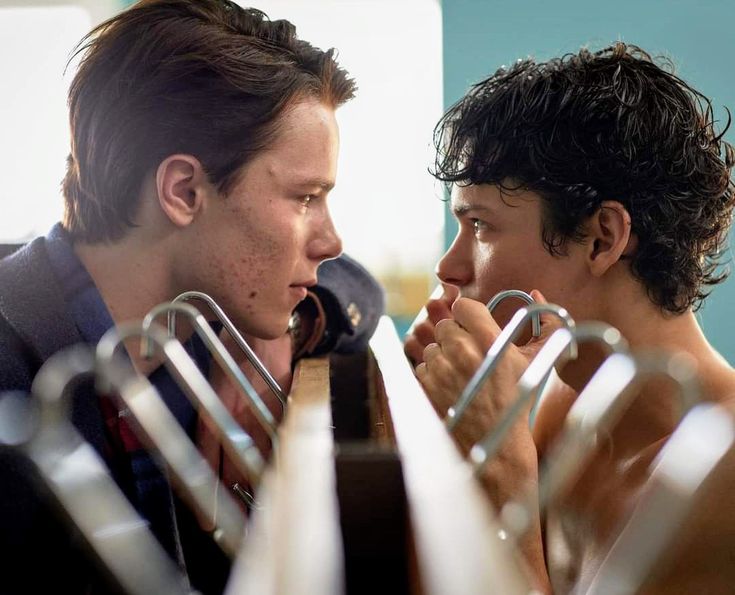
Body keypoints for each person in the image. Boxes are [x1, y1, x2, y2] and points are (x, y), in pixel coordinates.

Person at [0, 1, 383, 593]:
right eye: (306, 198)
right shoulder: (14, 377)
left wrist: (274, 332)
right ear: (183, 191)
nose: (330, 240)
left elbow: (358, 288)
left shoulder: (206, 321)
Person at [406, 42, 735, 593]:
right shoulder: (565, 405)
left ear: (602, 238)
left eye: (481, 226)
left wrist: (500, 470)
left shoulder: (719, 472)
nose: (450, 266)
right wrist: (438, 431)